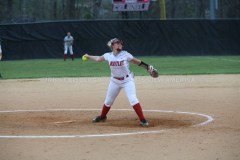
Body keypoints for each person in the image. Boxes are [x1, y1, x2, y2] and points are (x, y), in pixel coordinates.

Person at [84, 38, 157, 127]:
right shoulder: (108, 55)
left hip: (127, 80)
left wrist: (148, 67)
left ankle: (143, 120)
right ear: (112, 45)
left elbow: (137, 62)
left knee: (133, 99)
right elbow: (98, 59)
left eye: (120, 44)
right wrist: (88, 56)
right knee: (108, 101)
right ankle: (102, 117)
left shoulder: (125, 54)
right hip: (114, 81)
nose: (119, 45)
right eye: (117, 43)